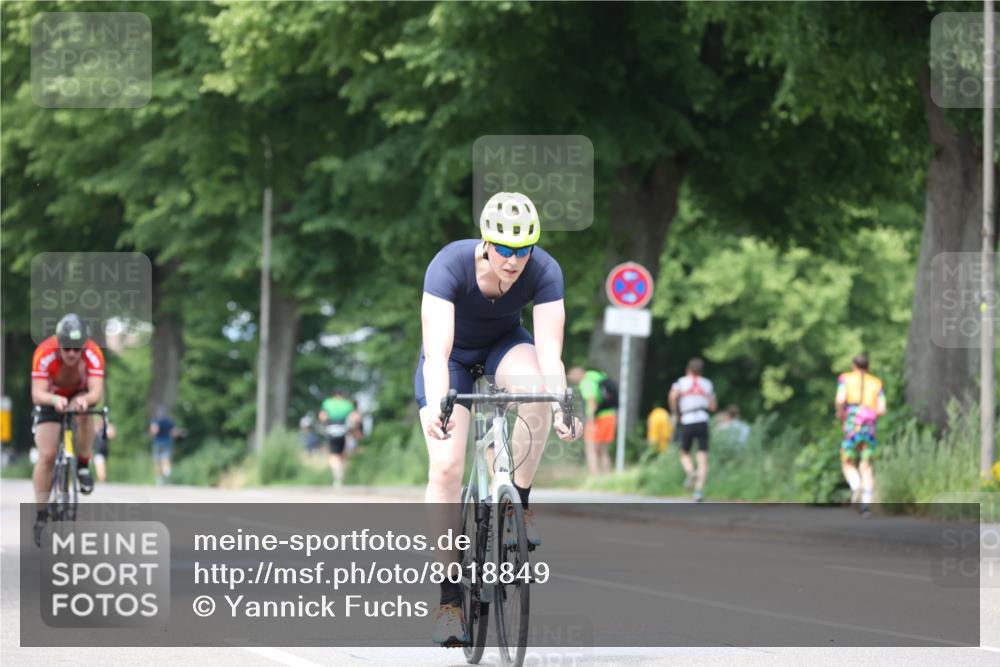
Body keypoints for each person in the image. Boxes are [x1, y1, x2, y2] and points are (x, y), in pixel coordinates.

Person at [417, 191, 581, 646]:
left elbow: (550, 353)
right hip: (450, 361)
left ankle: (518, 501)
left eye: (523, 249)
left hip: (505, 349)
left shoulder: (545, 271)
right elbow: (437, 354)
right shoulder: (449, 265)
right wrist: (436, 404)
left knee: (539, 394)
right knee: (446, 468)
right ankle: (450, 602)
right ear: (486, 243)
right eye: (505, 249)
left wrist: (562, 401)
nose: (514, 261)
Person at [30, 313, 105, 546]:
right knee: (47, 456)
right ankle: (42, 514)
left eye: (77, 349)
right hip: (51, 398)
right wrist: (54, 400)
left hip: (78, 395)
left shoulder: (93, 352)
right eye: (67, 349)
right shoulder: (44, 353)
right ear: (58, 344)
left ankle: (82, 463)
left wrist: (85, 400)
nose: (72, 354)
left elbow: (96, 391)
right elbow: (37, 392)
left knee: (85, 410)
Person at [835, 353, 886, 517]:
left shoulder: (845, 379)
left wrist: (840, 413)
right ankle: (866, 506)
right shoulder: (877, 383)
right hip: (869, 426)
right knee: (867, 466)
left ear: (853, 366)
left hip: (852, 424)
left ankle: (856, 486)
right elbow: (882, 408)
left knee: (847, 460)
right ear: (868, 367)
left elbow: (840, 399)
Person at [669, 357, 717, 502]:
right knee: (703, 457)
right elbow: (713, 407)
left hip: (687, 420)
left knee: (684, 453)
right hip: (702, 419)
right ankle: (698, 491)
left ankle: (691, 471)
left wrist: (676, 413)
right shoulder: (707, 383)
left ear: (687, 369)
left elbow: (672, 396)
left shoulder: (681, 382)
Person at [567, 367, 618, 476]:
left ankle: (594, 478)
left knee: (590, 449)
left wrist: (591, 420)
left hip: (598, 419)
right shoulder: (596, 376)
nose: (573, 380)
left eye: (573, 377)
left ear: (578, 374)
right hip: (610, 415)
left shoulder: (586, 383)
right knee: (603, 451)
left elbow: (592, 401)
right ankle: (607, 477)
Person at [318, 390, 359, 488]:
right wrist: (354, 429)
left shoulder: (327, 403)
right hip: (343, 430)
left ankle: (337, 476)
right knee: (342, 454)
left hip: (331, 429)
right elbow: (355, 417)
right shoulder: (347, 404)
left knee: (333, 454)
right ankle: (341, 472)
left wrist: (325, 424)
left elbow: (322, 417)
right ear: (342, 395)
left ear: (334, 395)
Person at [149, 405, 179, 486]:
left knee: (157, 461)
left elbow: (154, 431)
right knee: (165, 458)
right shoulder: (169, 422)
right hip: (167, 442)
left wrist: (152, 432)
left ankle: (159, 480)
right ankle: (167, 471)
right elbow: (174, 433)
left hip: (158, 443)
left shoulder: (155, 421)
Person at [93, 415, 116, 483]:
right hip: (98, 450)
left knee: (102, 466)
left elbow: (112, 435)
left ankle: (102, 479)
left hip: (105, 450)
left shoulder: (107, 428)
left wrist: (108, 426)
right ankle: (102, 479)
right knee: (100, 465)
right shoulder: (98, 428)